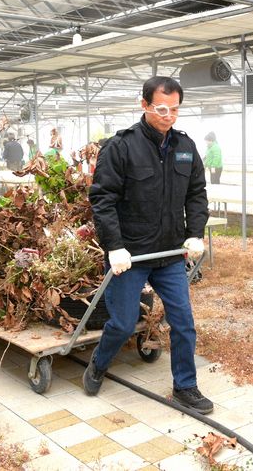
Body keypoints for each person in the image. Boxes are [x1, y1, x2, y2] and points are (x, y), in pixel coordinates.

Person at [87, 76, 212, 414]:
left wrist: (195, 233)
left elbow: (196, 193)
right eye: (161, 109)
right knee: (124, 322)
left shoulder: (185, 147)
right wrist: (114, 246)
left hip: (169, 253)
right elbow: (103, 199)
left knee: (183, 321)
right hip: (130, 254)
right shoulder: (121, 146)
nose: (168, 116)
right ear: (144, 105)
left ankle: (186, 386)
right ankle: (99, 362)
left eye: (175, 110)